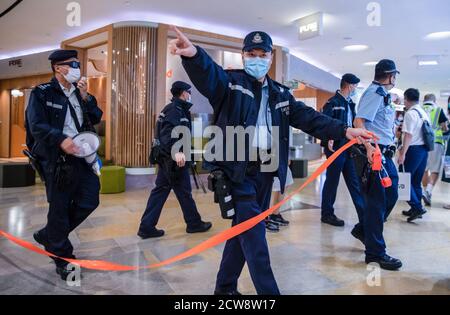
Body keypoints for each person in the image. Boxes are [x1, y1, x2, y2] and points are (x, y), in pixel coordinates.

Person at [169, 26, 372, 295]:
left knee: (243, 231)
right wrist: (193, 54)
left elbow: (310, 119)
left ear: (270, 58)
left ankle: (224, 288)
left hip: (266, 171)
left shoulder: (280, 94)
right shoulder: (230, 84)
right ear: (242, 56)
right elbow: (209, 75)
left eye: (262, 53)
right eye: (250, 53)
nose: (256, 58)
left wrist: (345, 130)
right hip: (237, 172)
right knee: (255, 236)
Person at [25, 50, 103, 280]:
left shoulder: (79, 93)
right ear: (59, 68)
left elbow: (96, 116)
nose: (77, 68)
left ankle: (50, 235)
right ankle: (62, 256)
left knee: (91, 198)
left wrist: (86, 96)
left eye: (78, 64)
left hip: (82, 155)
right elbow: (36, 125)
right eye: (72, 64)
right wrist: (60, 139)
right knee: (59, 208)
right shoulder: (42, 93)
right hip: (56, 159)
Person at [138, 81, 212, 239]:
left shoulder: (174, 109)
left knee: (164, 191)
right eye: (188, 92)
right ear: (184, 93)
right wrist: (176, 152)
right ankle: (193, 223)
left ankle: (147, 226)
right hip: (173, 160)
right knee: (182, 192)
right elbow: (167, 135)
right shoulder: (175, 110)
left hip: (168, 159)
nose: (189, 95)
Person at [354, 59, 403, 270]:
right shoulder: (375, 93)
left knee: (390, 194)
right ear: (391, 76)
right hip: (375, 153)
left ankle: (364, 230)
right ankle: (375, 253)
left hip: (384, 153)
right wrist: (368, 148)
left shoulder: (381, 94)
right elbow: (359, 122)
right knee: (377, 202)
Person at [320, 74, 366, 236]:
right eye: (355, 86)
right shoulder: (333, 103)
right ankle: (327, 214)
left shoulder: (350, 104)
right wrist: (329, 139)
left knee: (354, 182)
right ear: (349, 85)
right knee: (332, 181)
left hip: (349, 149)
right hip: (335, 148)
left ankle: (364, 216)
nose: (355, 89)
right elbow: (324, 122)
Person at [397, 89, 429, 222]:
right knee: (415, 181)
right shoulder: (423, 112)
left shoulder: (410, 114)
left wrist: (402, 153)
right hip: (423, 150)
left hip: (413, 150)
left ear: (406, 99)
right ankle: (416, 208)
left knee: (403, 179)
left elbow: (408, 135)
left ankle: (417, 207)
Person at [421, 94, 449, 206]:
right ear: (434, 100)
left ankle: (424, 191)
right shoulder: (438, 110)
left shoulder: (419, 109)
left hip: (421, 144)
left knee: (424, 169)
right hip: (436, 143)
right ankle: (428, 190)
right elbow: (444, 127)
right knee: (434, 170)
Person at [266, 165, 293, 233]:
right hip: (271, 159)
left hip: (278, 159)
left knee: (284, 182)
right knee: (278, 184)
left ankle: (274, 214)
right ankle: (267, 217)